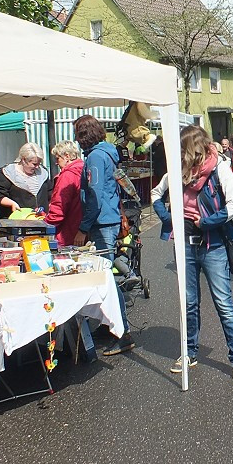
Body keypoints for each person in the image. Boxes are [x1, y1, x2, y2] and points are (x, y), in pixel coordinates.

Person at [151, 126, 233, 385]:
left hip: (214, 246)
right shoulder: (178, 171)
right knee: (189, 303)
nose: (180, 154)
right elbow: (156, 195)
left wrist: (206, 221)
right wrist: (169, 219)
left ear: (195, 148)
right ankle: (189, 353)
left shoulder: (219, 169)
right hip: (184, 245)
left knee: (224, 304)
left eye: (184, 149)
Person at [73, 115, 135, 357]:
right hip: (106, 220)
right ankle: (114, 327)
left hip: (101, 222)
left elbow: (96, 195)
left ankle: (123, 332)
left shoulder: (96, 157)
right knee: (105, 275)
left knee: (106, 278)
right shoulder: (105, 153)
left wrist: (83, 227)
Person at [0, 143, 53, 216]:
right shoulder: (7, 174)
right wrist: (11, 203)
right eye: (34, 164)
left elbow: (50, 193)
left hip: (41, 220)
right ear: (23, 160)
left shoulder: (43, 173)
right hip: (16, 222)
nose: (37, 167)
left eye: (39, 163)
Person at [44, 140, 84, 247]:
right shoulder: (84, 170)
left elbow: (59, 205)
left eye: (58, 158)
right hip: (82, 229)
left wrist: (46, 222)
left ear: (67, 156)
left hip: (67, 231)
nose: (56, 163)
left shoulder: (68, 175)